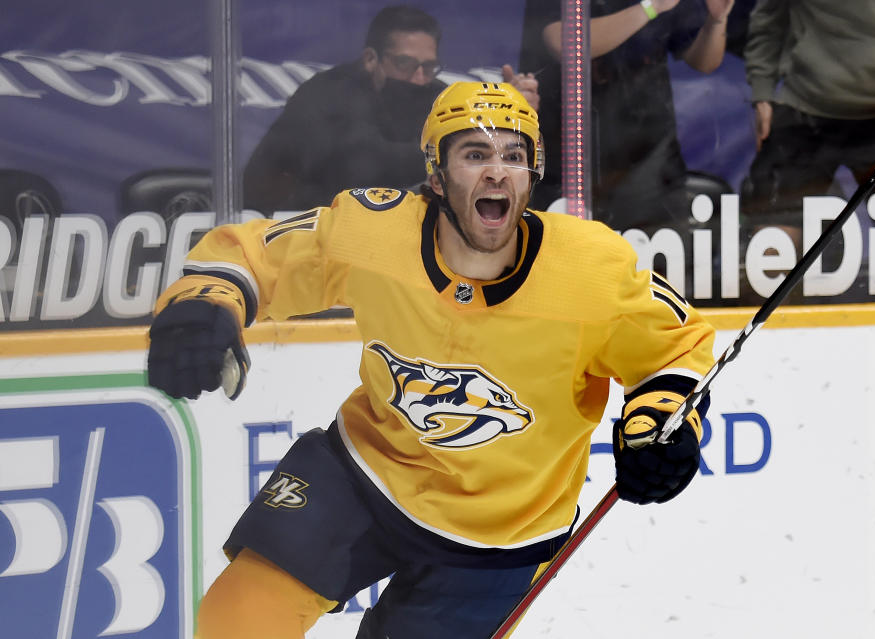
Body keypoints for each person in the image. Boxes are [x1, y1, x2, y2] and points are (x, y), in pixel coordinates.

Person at [147, 81, 716, 639]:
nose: (497, 171)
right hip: (365, 472)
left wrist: (659, 419)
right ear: (436, 175)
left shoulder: (589, 270)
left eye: (513, 156)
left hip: (502, 529)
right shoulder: (375, 231)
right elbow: (260, 256)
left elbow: (673, 347)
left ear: (531, 176)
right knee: (237, 620)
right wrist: (209, 302)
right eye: (475, 154)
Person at [742, 0, 875, 299]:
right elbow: (769, 14)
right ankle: (764, 344)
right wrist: (762, 91)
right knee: (766, 260)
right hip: (804, 109)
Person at [243, 5, 540, 217]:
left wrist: (508, 114)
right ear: (371, 59)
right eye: (405, 65)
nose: (419, 78)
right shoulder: (326, 94)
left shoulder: (435, 95)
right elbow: (364, 163)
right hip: (314, 224)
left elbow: (475, 153)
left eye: (428, 66)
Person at [519, 0, 733, 232]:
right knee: (575, 254)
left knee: (654, 256)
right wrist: (651, 7)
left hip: (651, 158)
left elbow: (704, 62)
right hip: (574, 161)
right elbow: (563, 42)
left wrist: (716, 20)